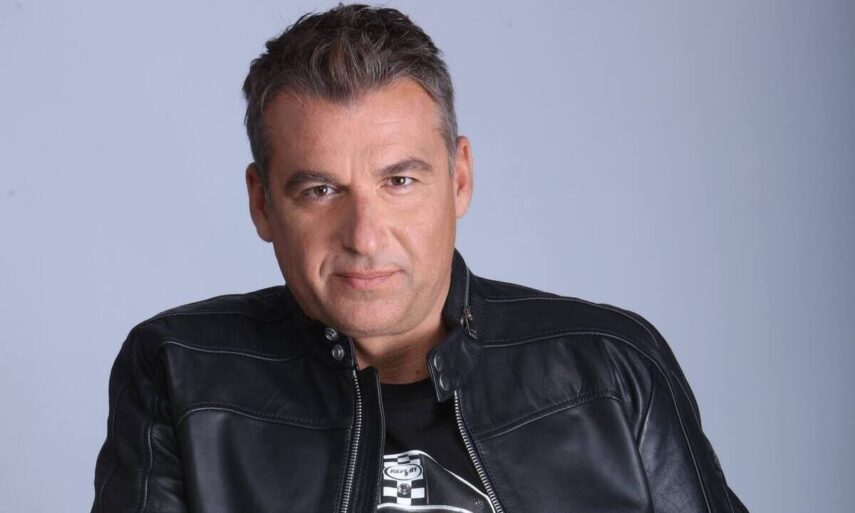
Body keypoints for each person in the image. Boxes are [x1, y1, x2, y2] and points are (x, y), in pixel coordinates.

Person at [91, 4, 748, 512]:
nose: (364, 235)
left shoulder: (609, 368)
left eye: (399, 181)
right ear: (262, 203)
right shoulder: (181, 371)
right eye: (320, 191)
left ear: (459, 179)